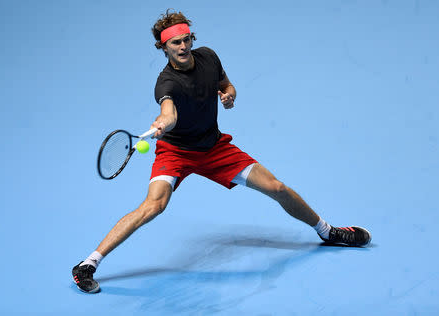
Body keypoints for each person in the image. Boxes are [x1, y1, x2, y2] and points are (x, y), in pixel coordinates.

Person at [72, 10, 371, 294]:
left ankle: (327, 231)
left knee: (276, 187)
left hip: (214, 148)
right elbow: (169, 111)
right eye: (176, 42)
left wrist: (229, 95)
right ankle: (88, 264)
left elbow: (227, 85)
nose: (184, 46)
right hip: (176, 151)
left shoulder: (208, 57)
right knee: (153, 207)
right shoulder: (166, 82)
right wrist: (165, 120)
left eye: (187, 38)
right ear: (163, 47)